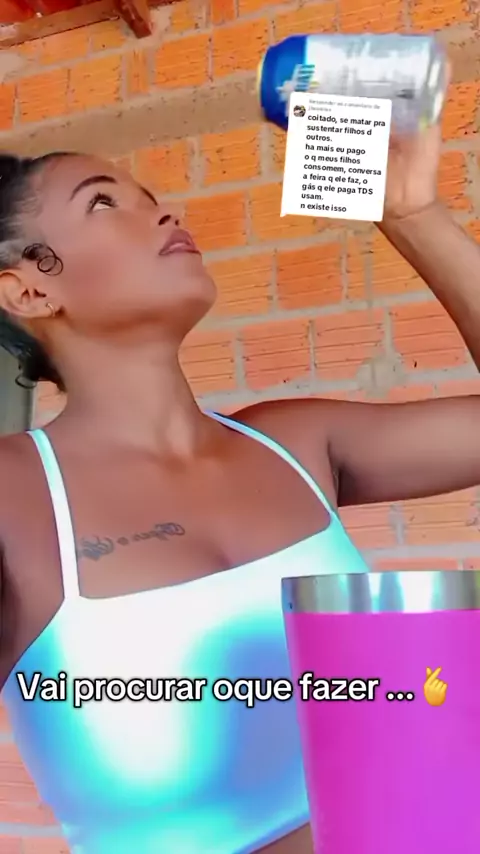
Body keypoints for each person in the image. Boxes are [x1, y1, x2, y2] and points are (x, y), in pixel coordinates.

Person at [0, 120, 479, 854]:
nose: (167, 211)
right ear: (28, 289)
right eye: (102, 202)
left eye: (152, 197)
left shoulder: (295, 442)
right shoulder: (16, 497)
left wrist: (413, 214)